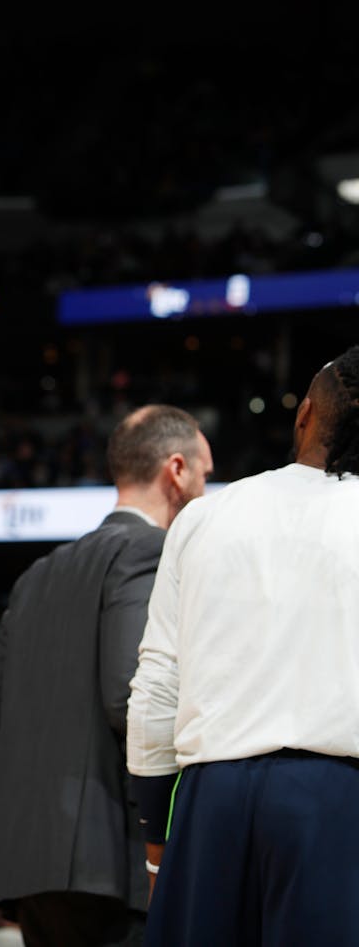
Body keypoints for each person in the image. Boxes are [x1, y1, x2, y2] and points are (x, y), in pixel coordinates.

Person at [126, 346, 359, 944]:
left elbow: (154, 690)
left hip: (210, 803)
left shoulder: (206, 516)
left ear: (305, 414)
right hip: (336, 804)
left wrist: (158, 839)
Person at [0, 404, 213, 947]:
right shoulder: (151, 551)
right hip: (116, 868)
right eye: (205, 475)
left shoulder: (38, 573)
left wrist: (18, 832)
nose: (205, 490)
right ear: (176, 470)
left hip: (33, 872)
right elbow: (131, 699)